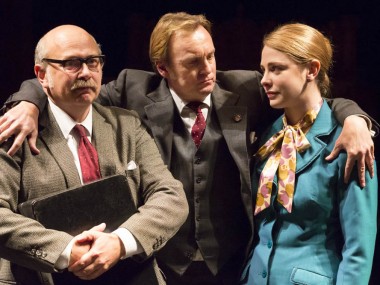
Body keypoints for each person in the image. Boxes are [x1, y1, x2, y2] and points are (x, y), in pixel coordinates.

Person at [0, 12, 378, 285]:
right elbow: (74, 86)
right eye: (193, 62)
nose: (208, 70)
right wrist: (29, 101)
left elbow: (315, 97)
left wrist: (356, 118)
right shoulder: (133, 91)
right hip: (160, 262)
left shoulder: (246, 89)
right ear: (163, 69)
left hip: (233, 264)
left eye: (211, 56)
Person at [0, 24, 188, 285]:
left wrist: (120, 242)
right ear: (41, 74)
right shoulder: (14, 130)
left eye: (93, 62)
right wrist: (66, 251)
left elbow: (171, 196)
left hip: (130, 274)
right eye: (72, 63)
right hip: (39, 277)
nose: (86, 72)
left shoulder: (127, 125)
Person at [241, 23, 378, 285]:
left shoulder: (349, 140)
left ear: (312, 70)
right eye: (264, 69)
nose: (265, 80)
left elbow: (359, 249)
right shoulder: (268, 136)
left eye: (277, 69)